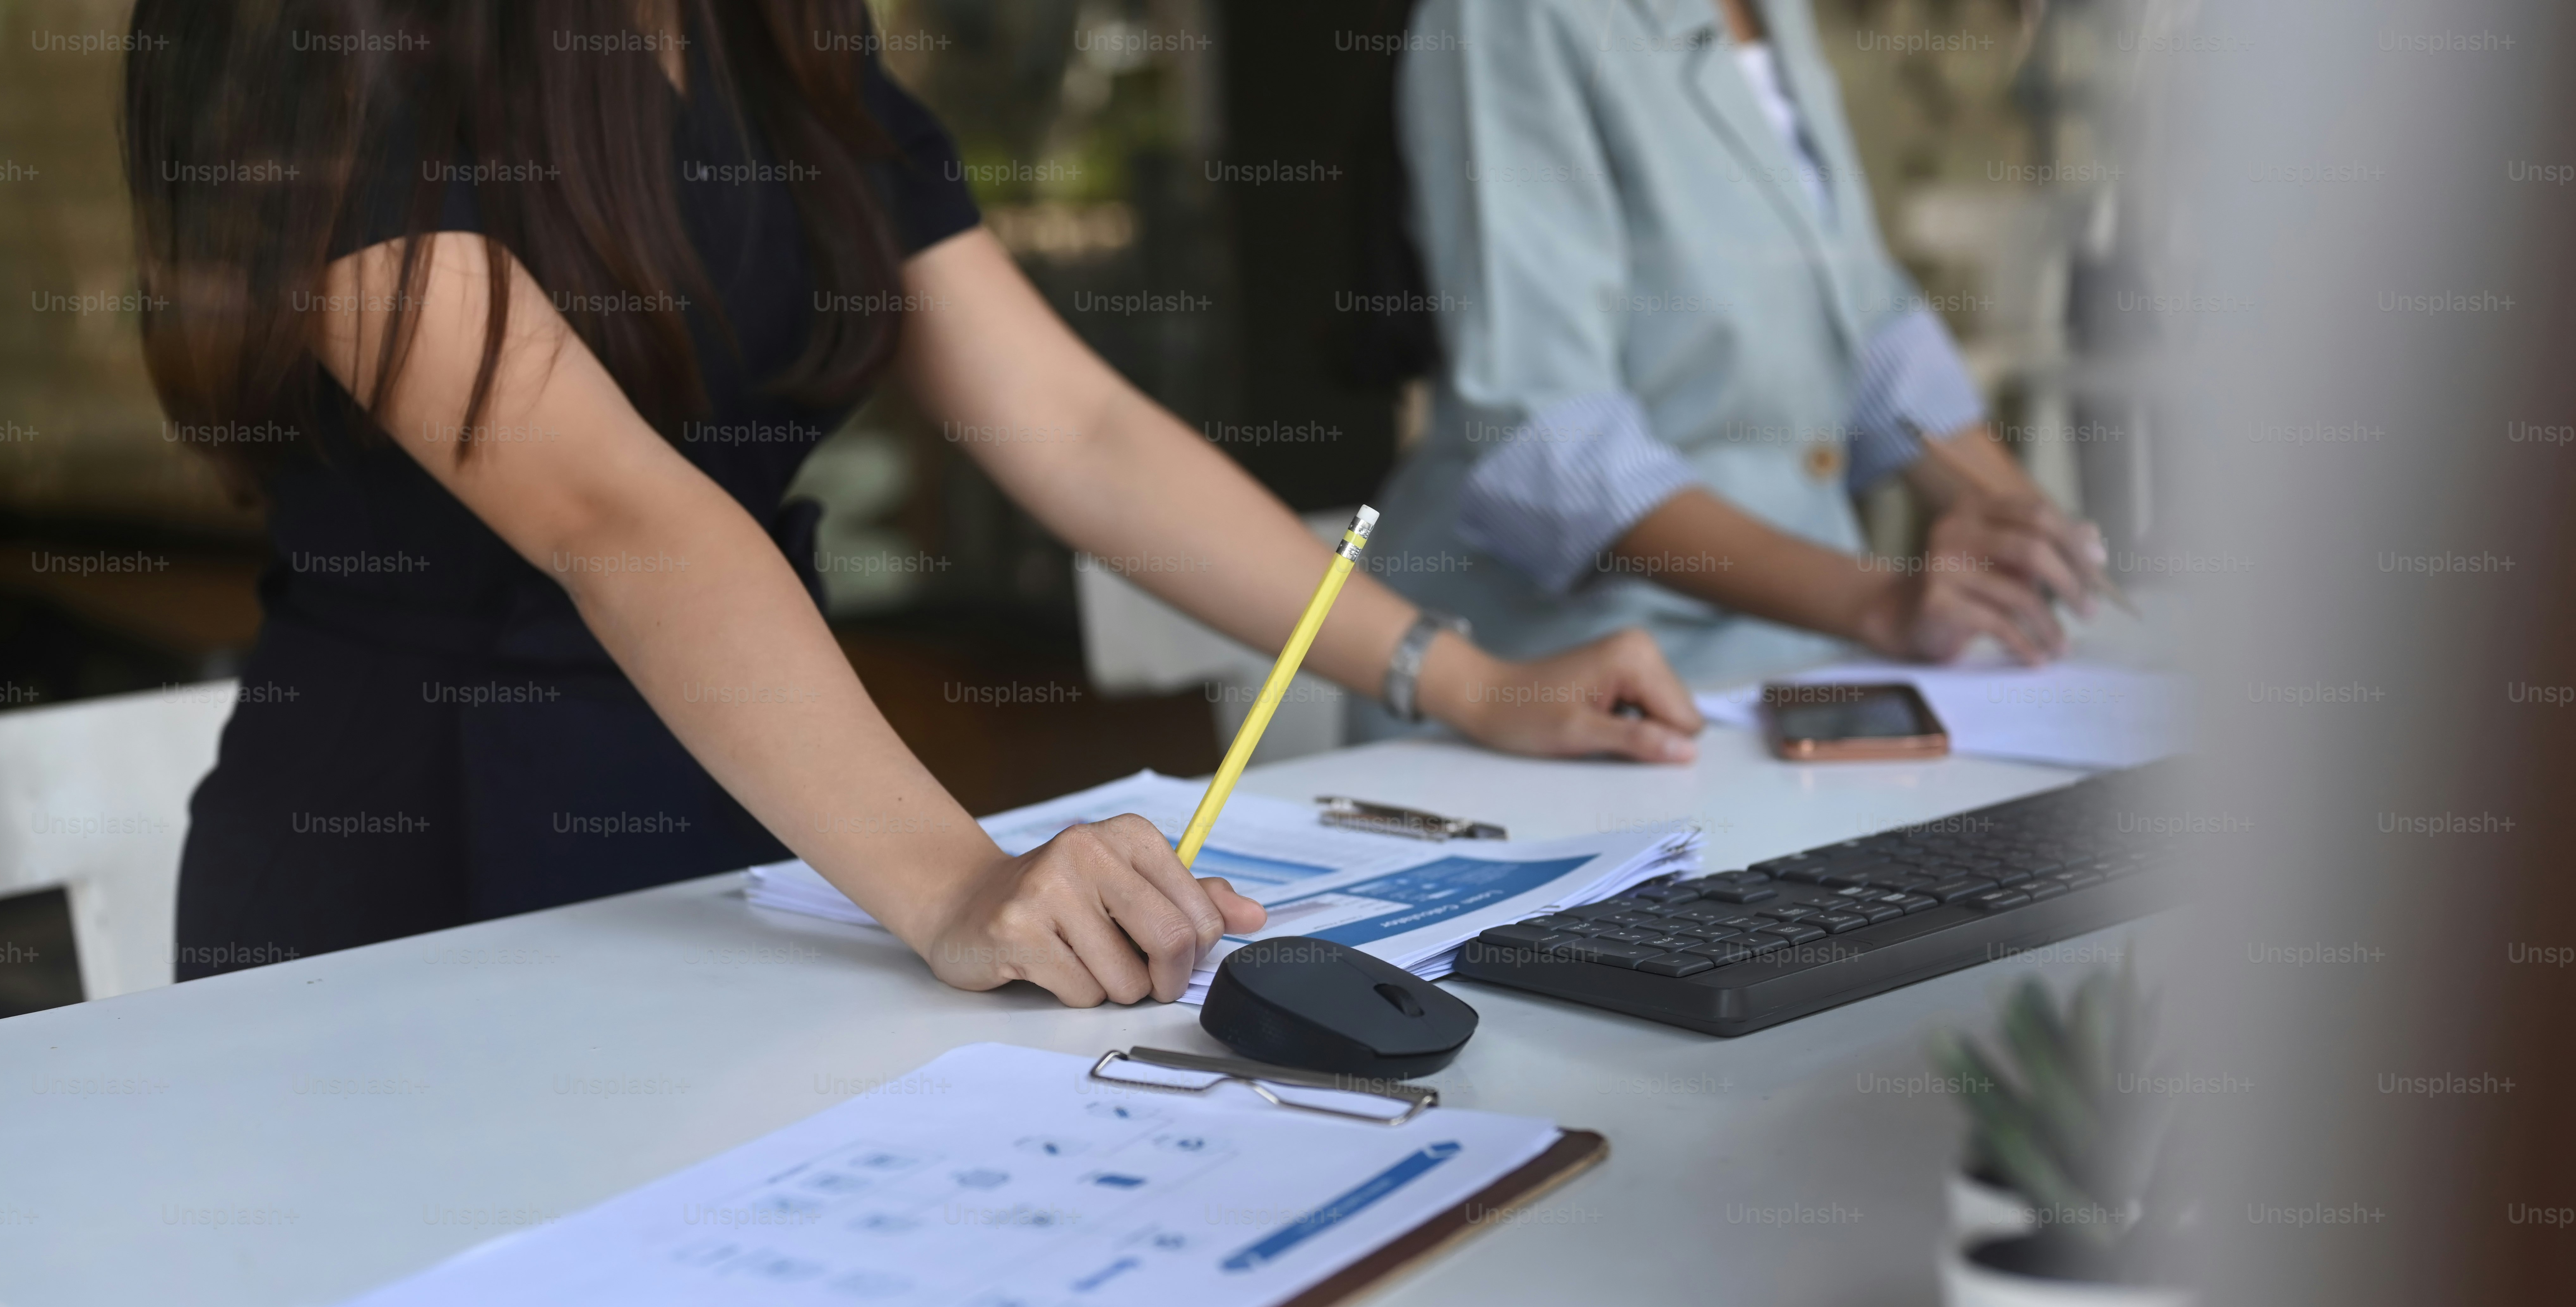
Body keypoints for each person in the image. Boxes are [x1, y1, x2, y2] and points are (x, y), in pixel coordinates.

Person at [123, 0, 1707, 1007]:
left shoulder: (774, 37)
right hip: (422, 867)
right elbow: (611, 510)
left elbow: (1078, 428)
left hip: (755, 819)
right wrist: (953, 882)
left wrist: (1462, 674)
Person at [1357, 0, 2111, 729]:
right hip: (1586, 685)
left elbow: (1861, 315)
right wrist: (1880, 601)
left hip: (1793, 663)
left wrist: (2030, 538)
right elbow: (1552, 441)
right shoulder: (1511, 12)